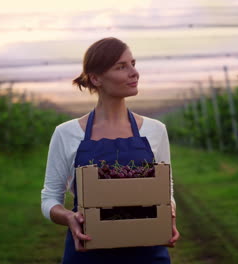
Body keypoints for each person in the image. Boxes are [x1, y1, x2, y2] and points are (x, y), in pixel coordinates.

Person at [41, 37, 180, 264]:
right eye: (121, 66)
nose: (134, 72)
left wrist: (168, 213)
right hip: (88, 251)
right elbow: (49, 198)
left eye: (133, 64)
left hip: (147, 252)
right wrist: (69, 217)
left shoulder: (156, 130)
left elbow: (166, 189)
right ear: (96, 78)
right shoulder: (66, 134)